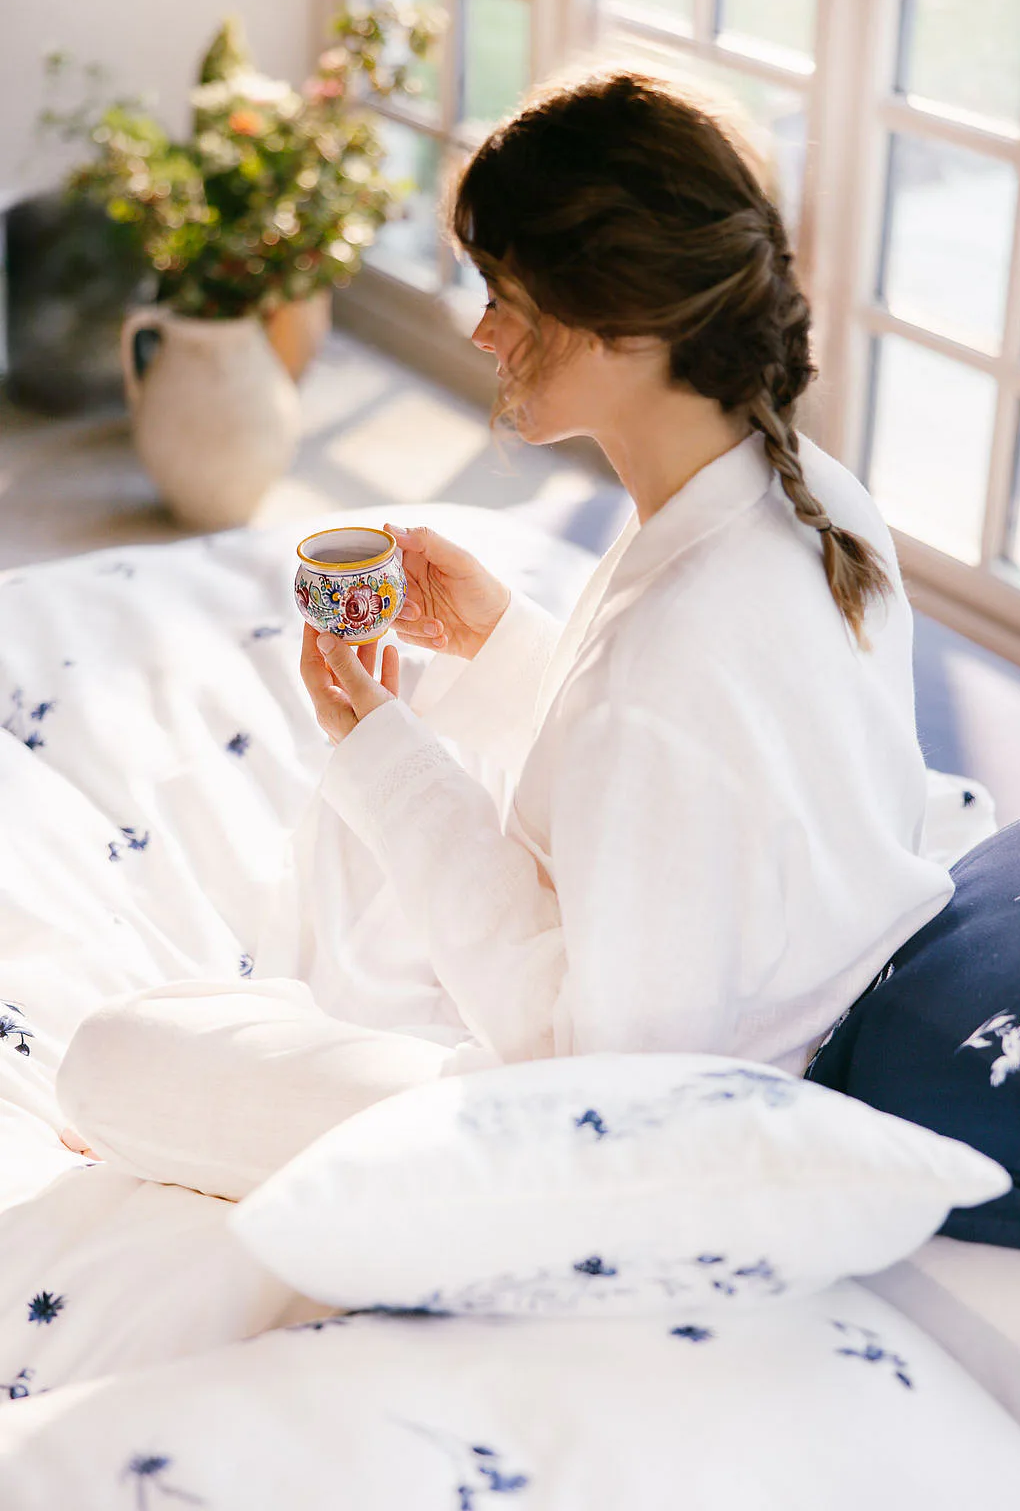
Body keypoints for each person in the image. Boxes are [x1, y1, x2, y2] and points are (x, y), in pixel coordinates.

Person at [56, 68, 955, 1198]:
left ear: (620, 321)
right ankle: (303, 1034)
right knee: (413, 740)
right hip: (733, 1001)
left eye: (505, 297)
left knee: (114, 1060)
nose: (480, 333)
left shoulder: (674, 652)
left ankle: (271, 1057)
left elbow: (581, 1069)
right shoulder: (811, 497)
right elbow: (682, 783)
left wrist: (385, 759)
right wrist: (504, 647)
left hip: (641, 1130)